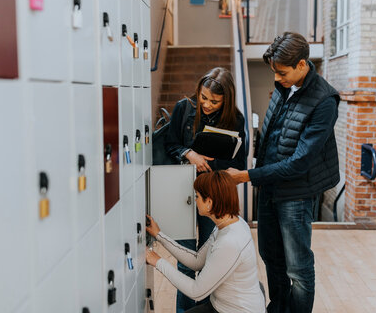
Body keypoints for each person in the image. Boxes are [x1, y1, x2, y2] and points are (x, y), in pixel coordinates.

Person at [226, 32, 340, 313]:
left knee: (298, 268)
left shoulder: (324, 101)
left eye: (282, 72)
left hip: (296, 194)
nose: (276, 78)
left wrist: (247, 176)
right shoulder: (283, 86)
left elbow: (301, 161)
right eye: (274, 72)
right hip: (270, 187)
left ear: (302, 64)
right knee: (270, 257)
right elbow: (271, 136)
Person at [164, 67, 246, 312]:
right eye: (203, 97)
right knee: (185, 263)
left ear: (226, 100)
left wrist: (212, 162)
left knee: (210, 261)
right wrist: (189, 153)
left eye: (214, 101)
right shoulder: (184, 107)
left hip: (214, 196)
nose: (207, 104)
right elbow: (170, 144)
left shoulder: (236, 119)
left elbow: (239, 164)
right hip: (182, 192)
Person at [145, 171, 265, 313]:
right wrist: (159, 235)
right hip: (220, 306)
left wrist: (158, 261)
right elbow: (197, 261)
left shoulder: (230, 242)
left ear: (209, 202)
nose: (194, 200)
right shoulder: (228, 224)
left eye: (197, 196)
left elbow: (197, 291)